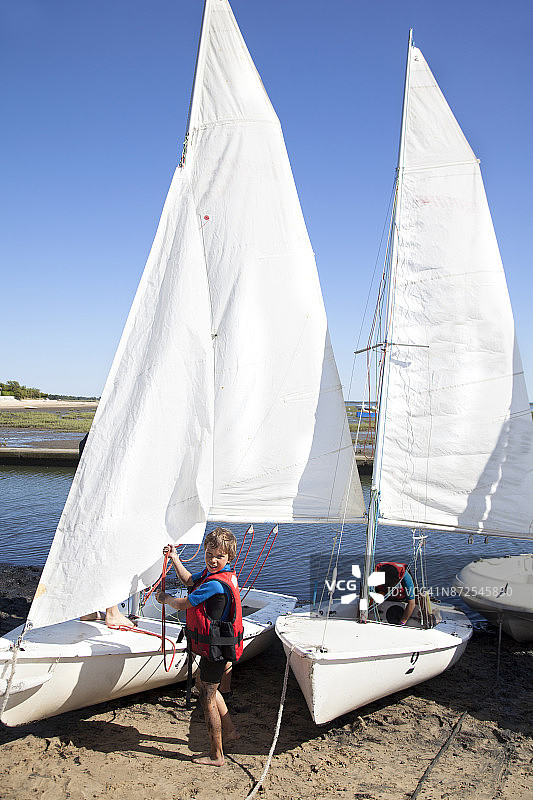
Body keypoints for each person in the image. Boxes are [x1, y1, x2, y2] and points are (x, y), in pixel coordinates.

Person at [156, 527, 243, 767]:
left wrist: (166, 599)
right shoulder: (213, 575)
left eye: (219, 557)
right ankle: (231, 730)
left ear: (229, 558)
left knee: (206, 698)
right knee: (204, 685)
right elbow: (188, 580)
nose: (213, 560)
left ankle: (217, 756)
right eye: (209, 554)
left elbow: (184, 603)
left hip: (216, 651)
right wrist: (174, 557)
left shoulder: (215, 584)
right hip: (215, 648)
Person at [374, 561, 417, 625]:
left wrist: (402, 622)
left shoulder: (405, 577)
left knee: (420, 597)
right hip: (384, 593)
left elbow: (411, 603)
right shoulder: (375, 574)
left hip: (401, 595)